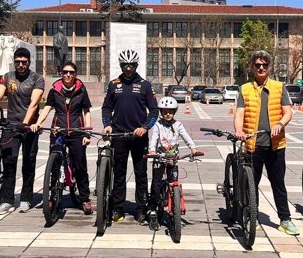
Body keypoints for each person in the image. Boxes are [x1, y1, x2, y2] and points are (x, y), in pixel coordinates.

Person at [234, 50, 299, 236]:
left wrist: (280, 124)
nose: (261, 68)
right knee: (251, 184)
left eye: (265, 65)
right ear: (252, 67)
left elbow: (288, 112)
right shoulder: (245, 89)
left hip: (276, 145)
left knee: (278, 183)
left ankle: (285, 219)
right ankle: (251, 217)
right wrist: (239, 130)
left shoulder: (279, 87)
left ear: (269, 67)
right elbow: (240, 113)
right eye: (257, 65)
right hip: (253, 144)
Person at [0, 47, 45, 214]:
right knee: (9, 162)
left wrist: (25, 123)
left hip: (29, 127)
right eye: (17, 62)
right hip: (10, 125)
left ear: (29, 62)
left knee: (28, 162)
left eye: (24, 62)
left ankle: (26, 198)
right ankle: (7, 200)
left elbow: (34, 103)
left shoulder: (37, 79)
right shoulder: (7, 77)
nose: (21, 65)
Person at [102, 49, 159, 224]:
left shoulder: (145, 85)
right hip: (119, 135)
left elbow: (154, 111)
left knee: (141, 174)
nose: (128, 68)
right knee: (119, 173)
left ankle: (141, 209)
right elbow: (106, 108)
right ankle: (118, 208)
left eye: (132, 65)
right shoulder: (113, 84)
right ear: (121, 65)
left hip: (138, 137)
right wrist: (107, 124)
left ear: (136, 65)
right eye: (125, 65)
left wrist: (145, 127)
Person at [32, 62, 94, 214]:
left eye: (71, 72)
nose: (68, 75)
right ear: (61, 73)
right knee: (54, 165)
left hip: (76, 131)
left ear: (75, 74)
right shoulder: (55, 90)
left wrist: (87, 133)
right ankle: (53, 197)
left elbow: (86, 111)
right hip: (58, 130)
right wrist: (38, 123)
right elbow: (47, 108)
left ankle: (85, 198)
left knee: (80, 165)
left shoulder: (81, 89)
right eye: (65, 72)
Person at [147, 96, 199, 229]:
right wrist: (152, 150)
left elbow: (186, 136)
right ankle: (152, 210)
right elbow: (154, 138)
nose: (168, 114)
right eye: (165, 112)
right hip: (159, 158)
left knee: (173, 181)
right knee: (156, 183)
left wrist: (193, 148)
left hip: (173, 159)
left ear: (174, 112)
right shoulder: (158, 125)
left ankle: (173, 204)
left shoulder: (178, 125)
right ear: (161, 112)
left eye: (170, 111)